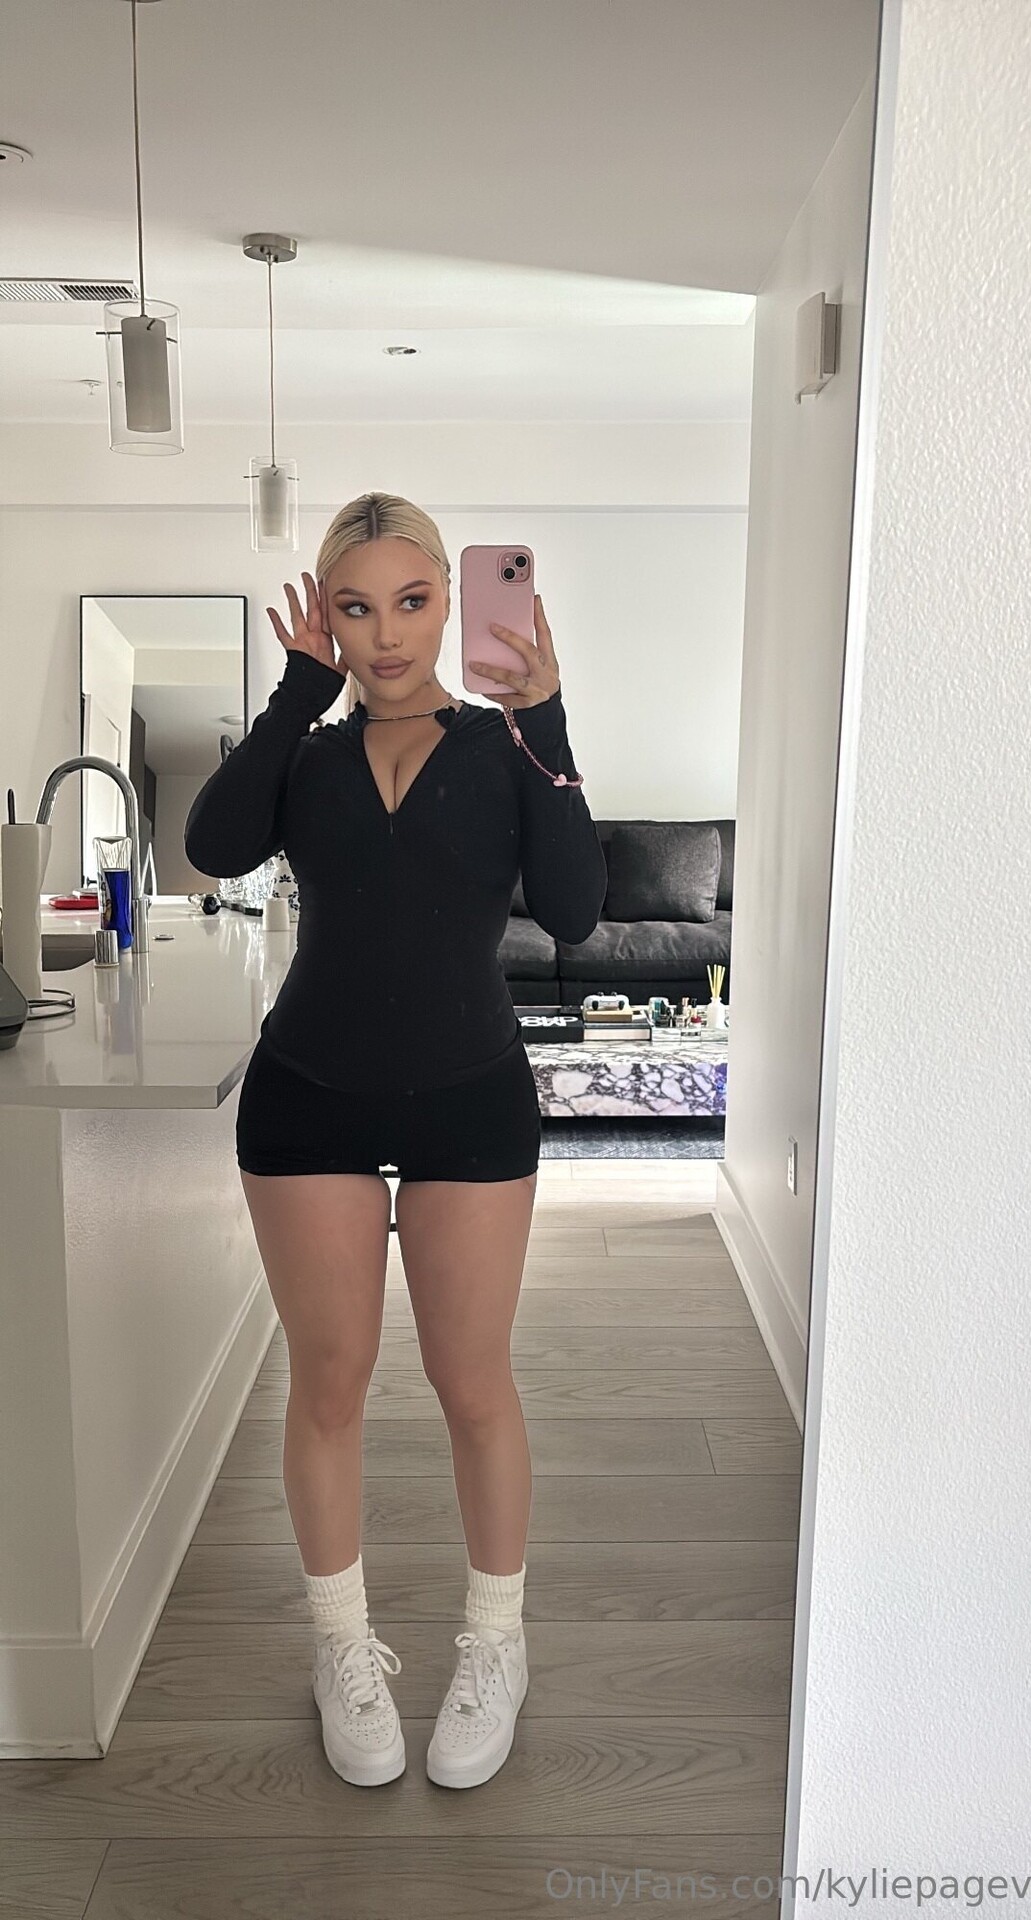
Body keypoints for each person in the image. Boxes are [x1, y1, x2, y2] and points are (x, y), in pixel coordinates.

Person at [184, 492, 607, 1791]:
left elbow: (576, 910)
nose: (385, 636)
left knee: (473, 1384)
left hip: (468, 1096)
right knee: (329, 1382)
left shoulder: (504, 744)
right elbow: (212, 846)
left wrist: (547, 717)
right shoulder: (305, 755)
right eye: (355, 608)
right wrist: (291, 694)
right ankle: (340, 1648)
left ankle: (496, 1644)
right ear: (327, 618)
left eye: (413, 602)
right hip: (308, 1093)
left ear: (451, 602)